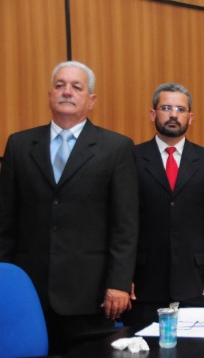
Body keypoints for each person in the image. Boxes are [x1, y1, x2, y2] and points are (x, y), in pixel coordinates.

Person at [0, 61, 138, 354]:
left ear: (91, 99)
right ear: (49, 94)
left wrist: (119, 282)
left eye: (77, 87)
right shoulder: (19, 145)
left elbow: (124, 224)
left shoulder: (116, 148)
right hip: (29, 289)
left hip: (90, 291)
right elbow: (5, 221)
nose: (67, 92)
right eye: (60, 85)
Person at [126, 83, 204, 325]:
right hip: (144, 280)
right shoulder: (131, 158)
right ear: (153, 113)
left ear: (190, 117)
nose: (173, 115)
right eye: (166, 108)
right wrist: (122, 277)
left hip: (194, 278)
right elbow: (124, 222)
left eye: (180, 109)